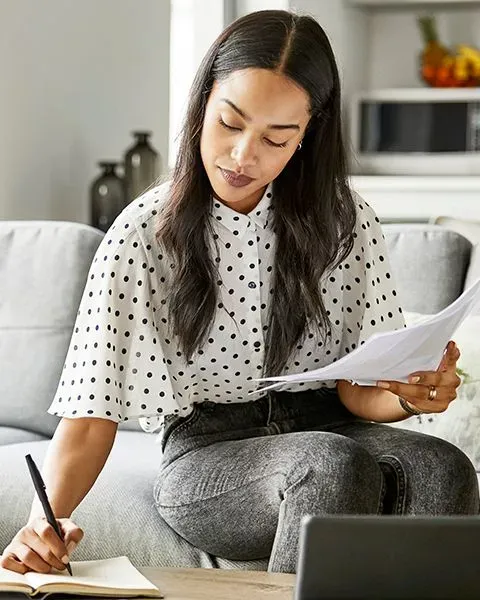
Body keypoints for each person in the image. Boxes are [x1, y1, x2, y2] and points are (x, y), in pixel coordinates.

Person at [2, 9, 478, 576]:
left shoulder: (346, 222)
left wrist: (408, 393)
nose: (243, 156)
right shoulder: (143, 233)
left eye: (277, 139)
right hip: (208, 451)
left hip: (331, 423)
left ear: (307, 136)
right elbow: (89, 414)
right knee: (326, 464)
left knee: (443, 466)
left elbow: (358, 393)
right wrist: (42, 523)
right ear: (202, 104)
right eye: (230, 123)